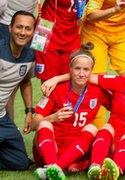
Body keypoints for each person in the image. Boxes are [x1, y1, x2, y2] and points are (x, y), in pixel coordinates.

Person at [41, 49, 125, 180]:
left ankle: (109, 168)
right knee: (106, 128)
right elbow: (85, 75)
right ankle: (94, 166)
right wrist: (56, 79)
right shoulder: (119, 82)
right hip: (116, 136)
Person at [31, 43, 107, 179]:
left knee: (92, 128)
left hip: (76, 151)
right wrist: (52, 118)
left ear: (92, 71)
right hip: (50, 148)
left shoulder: (97, 91)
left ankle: (54, 168)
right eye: (77, 68)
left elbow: (119, 105)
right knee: (44, 124)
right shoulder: (56, 89)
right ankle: (53, 164)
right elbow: (33, 124)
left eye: (86, 69)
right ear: (70, 69)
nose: (81, 74)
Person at [0, 11, 36, 174]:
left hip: (1, 116)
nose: (22, 32)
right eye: (19, 27)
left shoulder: (30, 55)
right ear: (10, 28)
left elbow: (25, 81)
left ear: (33, 31)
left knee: (21, 163)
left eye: (28, 28)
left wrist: (29, 111)